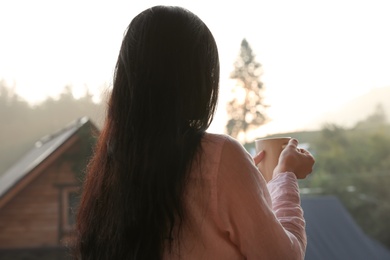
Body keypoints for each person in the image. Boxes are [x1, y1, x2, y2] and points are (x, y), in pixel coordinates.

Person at [72, 5, 315, 260]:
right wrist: (285, 177)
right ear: (198, 79)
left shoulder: (109, 171)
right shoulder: (220, 156)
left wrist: (245, 180)